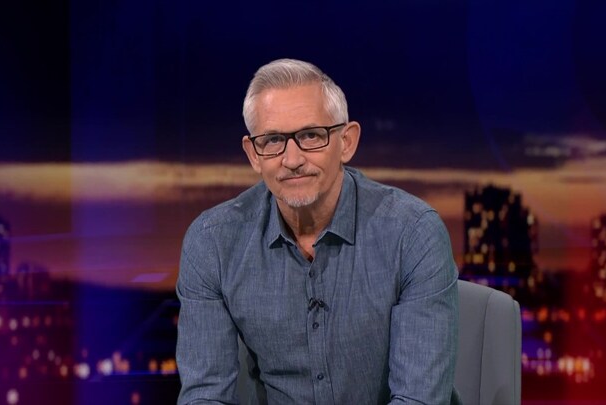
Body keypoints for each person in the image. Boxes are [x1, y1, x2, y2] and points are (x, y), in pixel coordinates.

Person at [176, 58, 461, 404]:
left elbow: (419, 399)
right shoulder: (212, 242)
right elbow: (204, 396)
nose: (292, 159)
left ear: (347, 142)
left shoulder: (413, 234)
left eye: (311, 136)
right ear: (253, 154)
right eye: (273, 140)